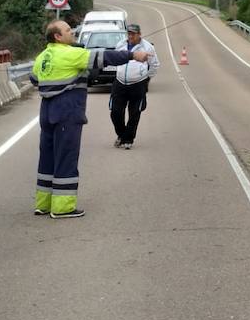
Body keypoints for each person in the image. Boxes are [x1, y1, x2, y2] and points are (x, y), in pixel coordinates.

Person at [30, 19, 147, 219]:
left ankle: (44, 203)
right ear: (58, 36)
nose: (72, 32)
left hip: (47, 111)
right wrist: (132, 54)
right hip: (67, 111)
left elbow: (34, 79)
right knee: (66, 156)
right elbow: (103, 57)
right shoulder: (71, 53)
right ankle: (63, 207)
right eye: (68, 30)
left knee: (47, 157)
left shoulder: (43, 56)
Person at [109, 23, 159, 149]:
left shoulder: (147, 47)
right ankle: (121, 134)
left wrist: (146, 78)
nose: (130, 36)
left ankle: (128, 139)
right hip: (119, 83)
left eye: (133, 34)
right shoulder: (121, 44)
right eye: (129, 33)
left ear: (139, 34)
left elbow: (154, 65)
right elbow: (115, 59)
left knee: (134, 113)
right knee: (115, 112)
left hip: (138, 84)